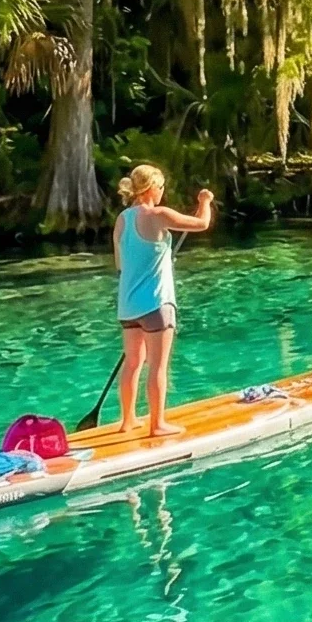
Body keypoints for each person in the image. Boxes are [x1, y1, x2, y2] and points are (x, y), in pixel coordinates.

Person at [113, 164, 215, 438]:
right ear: (150, 188)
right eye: (160, 187)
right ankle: (157, 425)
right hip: (157, 304)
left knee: (133, 363)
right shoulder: (159, 215)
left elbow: (120, 264)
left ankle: (127, 421)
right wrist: (204, 201)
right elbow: (202, 223)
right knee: (157, 365)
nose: (162, 192)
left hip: (128, 305)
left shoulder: (122, 219)